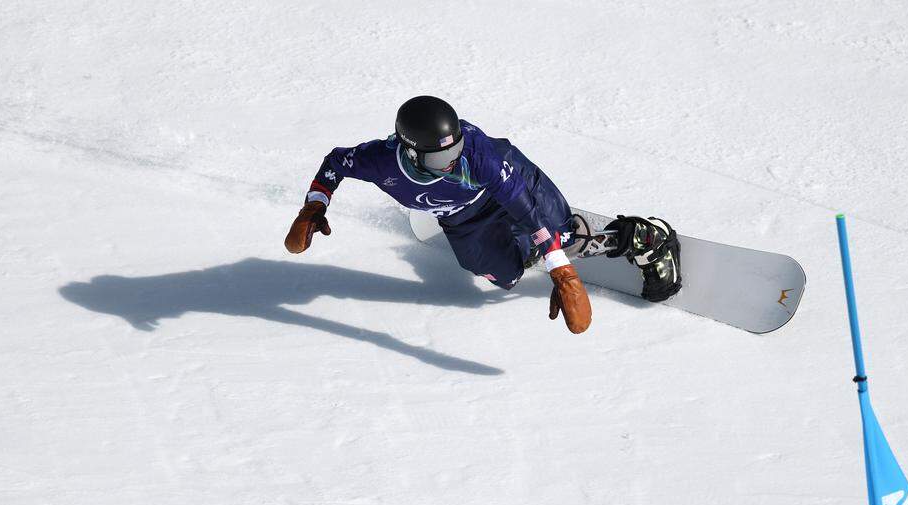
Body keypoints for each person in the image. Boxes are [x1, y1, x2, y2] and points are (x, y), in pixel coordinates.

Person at [285, 96, 681, 334]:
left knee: (550, 233)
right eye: (440, 157)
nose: (454, 161)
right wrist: (315, 205)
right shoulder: (379, 161)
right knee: (502, 273)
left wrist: (560, 266)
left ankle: (639, 238)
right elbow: (336, 163)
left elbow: (520, 203)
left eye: (454, 149)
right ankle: (528, 246)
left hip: (509, 181)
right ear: (409, 152)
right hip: (462, 215)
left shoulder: (478, 158)